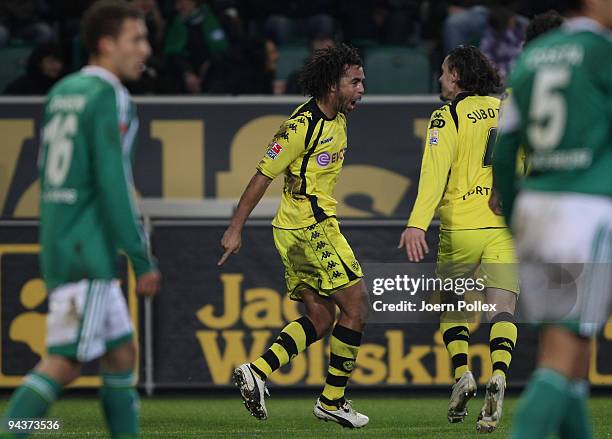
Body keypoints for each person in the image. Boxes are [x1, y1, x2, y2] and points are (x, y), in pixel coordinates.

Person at [0, 2, 160, 438]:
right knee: (64, 362)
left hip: (62, 235)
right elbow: (113, 182)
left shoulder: (63, 91)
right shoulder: (109, 95)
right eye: (136, 39)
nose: (145, 48)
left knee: (122, 352)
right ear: (106, 45)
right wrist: (140, 258)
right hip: (88, 249)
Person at [218, 43, 368, 428]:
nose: (361, 89)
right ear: (333, 85)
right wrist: (235, 227)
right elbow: (262, 176)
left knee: (320, 319)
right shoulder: (302, 125)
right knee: (356, 305)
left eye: (362, 81)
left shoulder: (337, 119)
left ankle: (257, 370)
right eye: (355, 82)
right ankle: (332, 400)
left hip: (295, 227)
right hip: (308, 226)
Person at [492, 0, 612, 437]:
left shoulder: (531, 59)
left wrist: (516, 220)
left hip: (534, 210)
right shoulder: (602, 53)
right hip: (586, 212)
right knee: (565, 356)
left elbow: (503, 153)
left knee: (569, 360)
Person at [398, 45, 518, 433]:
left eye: (444, 71)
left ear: (456, 76)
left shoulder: (446, 115)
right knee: (503, 308)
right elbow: (524, 161)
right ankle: (499, 372)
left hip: (461, 225)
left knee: (450, 303)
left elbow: (434, 173)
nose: (439, 79)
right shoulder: (506, 109)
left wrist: (417, 223)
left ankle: (464, 373)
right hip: (502, 224)